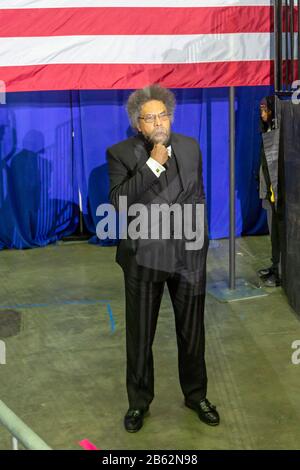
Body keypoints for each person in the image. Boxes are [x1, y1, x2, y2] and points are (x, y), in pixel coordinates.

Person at [107, 84, 220, 432]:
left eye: (163, 115)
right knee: (141, 335)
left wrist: (199, 243)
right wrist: (153, 167)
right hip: (144, 258)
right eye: (150, 117)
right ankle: (139, 403)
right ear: (138, 124)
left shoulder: (190, 146)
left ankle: (196, 395)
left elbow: (198, 195)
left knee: (192, 332)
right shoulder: (121, 153)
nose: (159, 122)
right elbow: (119, 203)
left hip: (187, 257)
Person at [257, 96, 281, 287]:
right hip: (269, 191)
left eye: (265, 109)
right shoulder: (267, 133)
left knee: (279, 232)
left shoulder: (279, 135)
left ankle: (280, 271)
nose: (262, 113)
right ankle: (275, 266)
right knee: (273, 233)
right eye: (260, 109)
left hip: (278, 193)